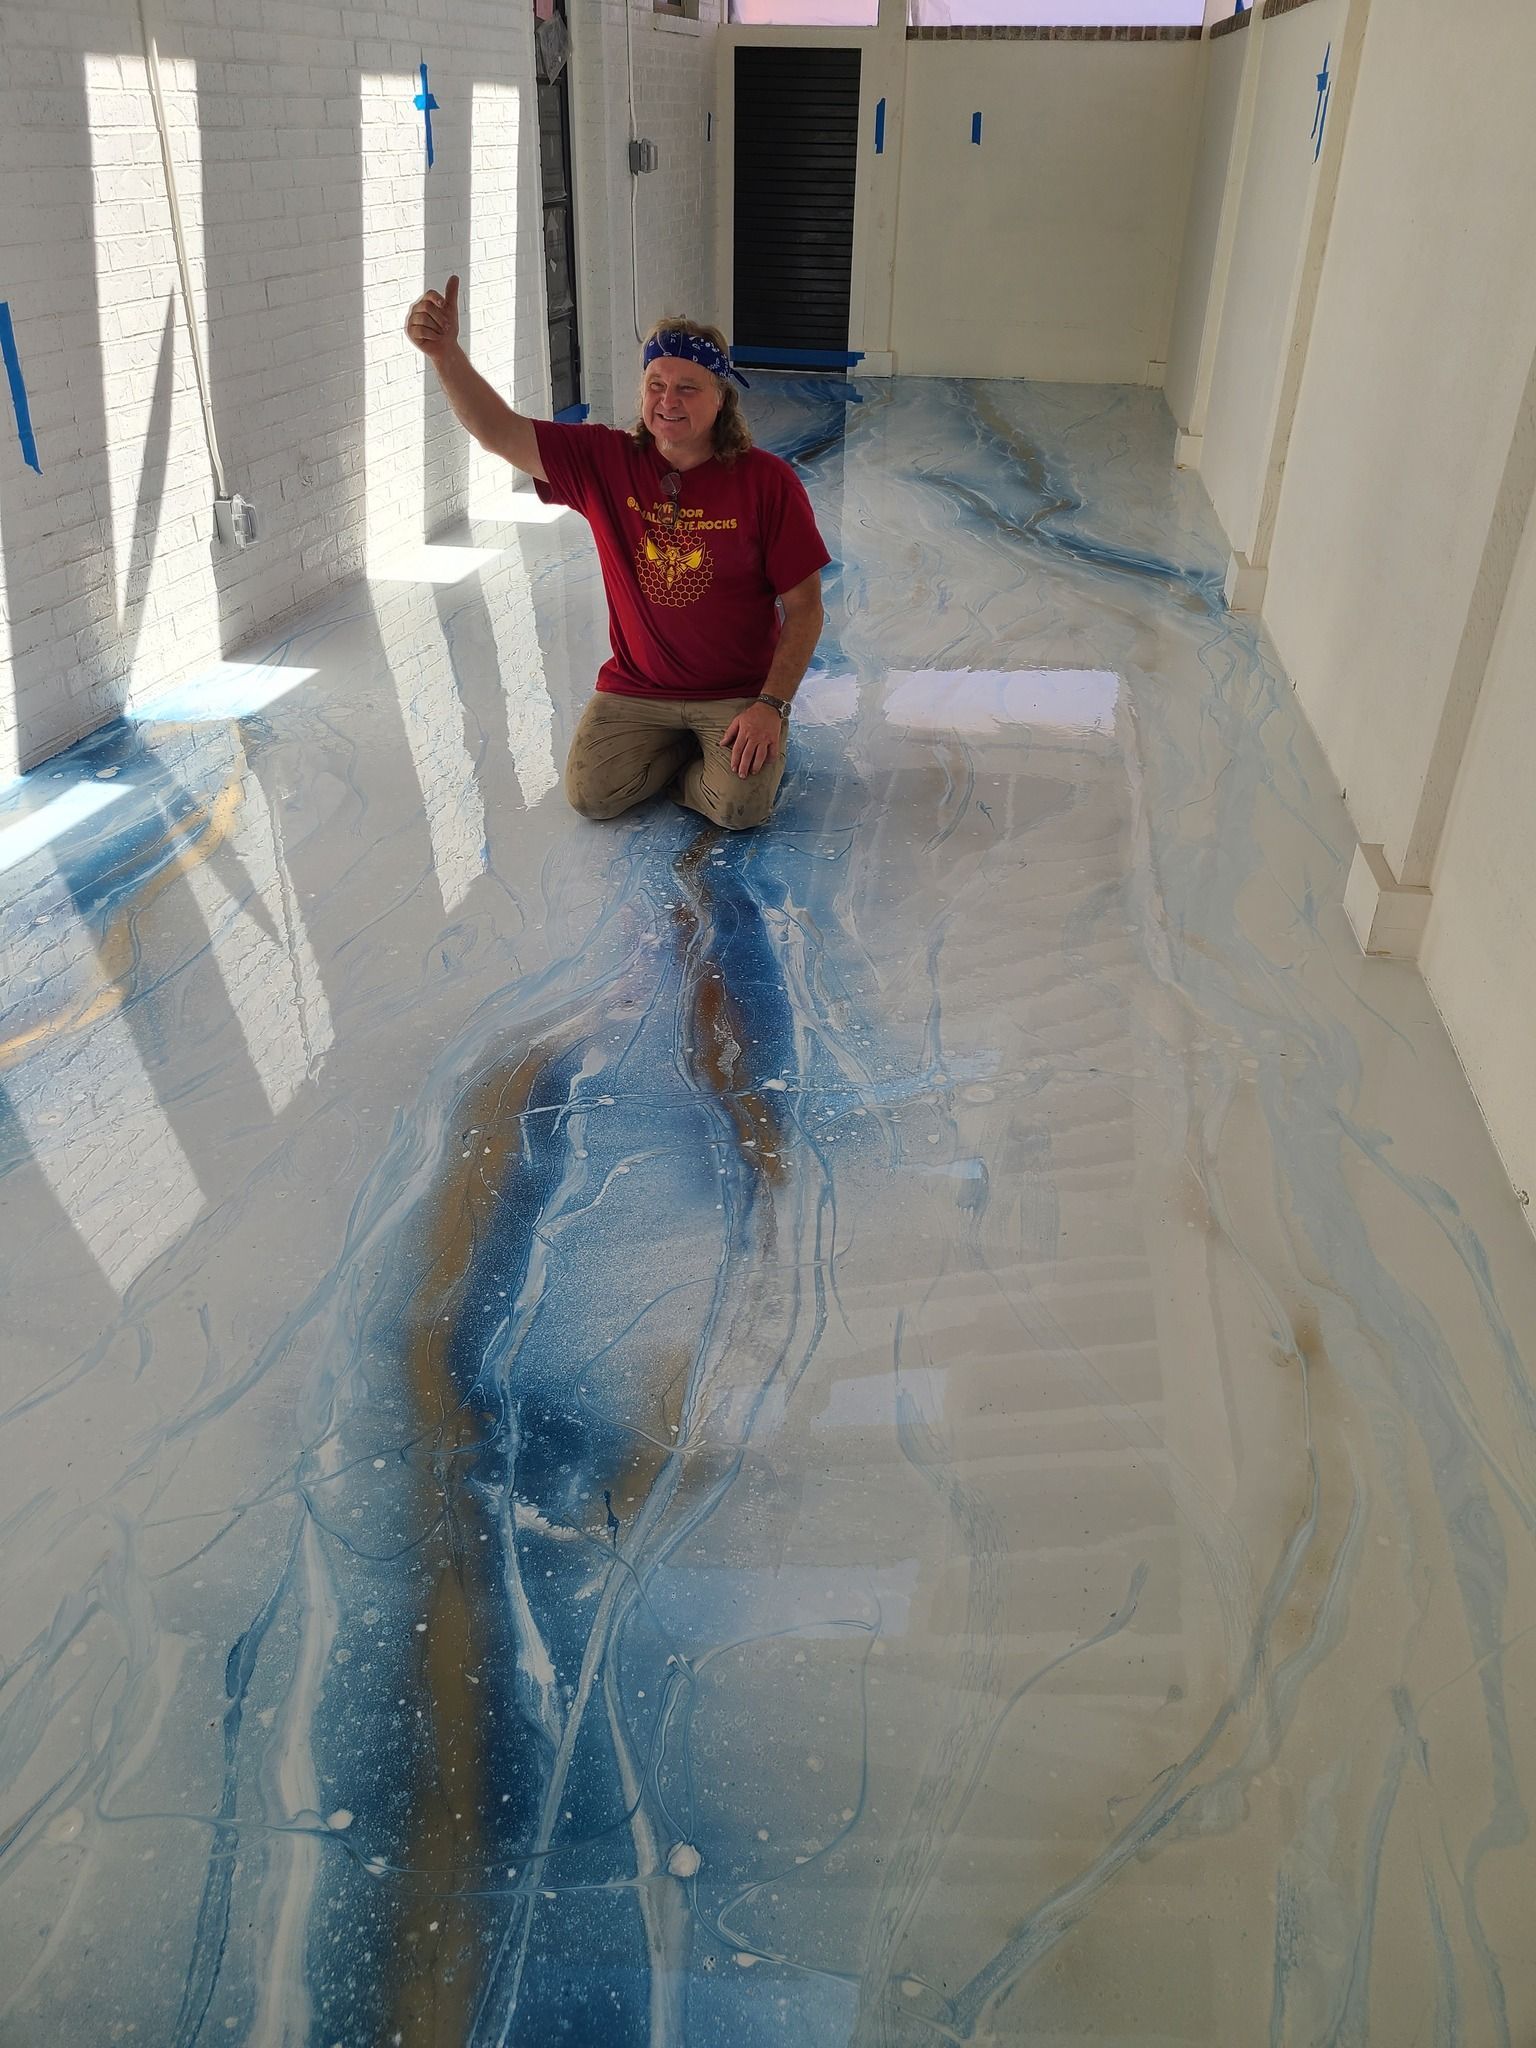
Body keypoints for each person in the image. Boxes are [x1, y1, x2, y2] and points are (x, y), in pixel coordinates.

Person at [404, 278, 830, 829]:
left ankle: (714, 756)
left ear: (721, 399)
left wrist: (770, 707)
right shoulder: (607, 461)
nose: (668, 401)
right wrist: (445, 355)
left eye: (688, 388)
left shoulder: (767, 482)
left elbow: (805, 608)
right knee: (592, 795)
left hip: (737, 692)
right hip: (638, 687)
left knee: (740, 809)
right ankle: (685, 756)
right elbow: (497, 432)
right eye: (656, 384)